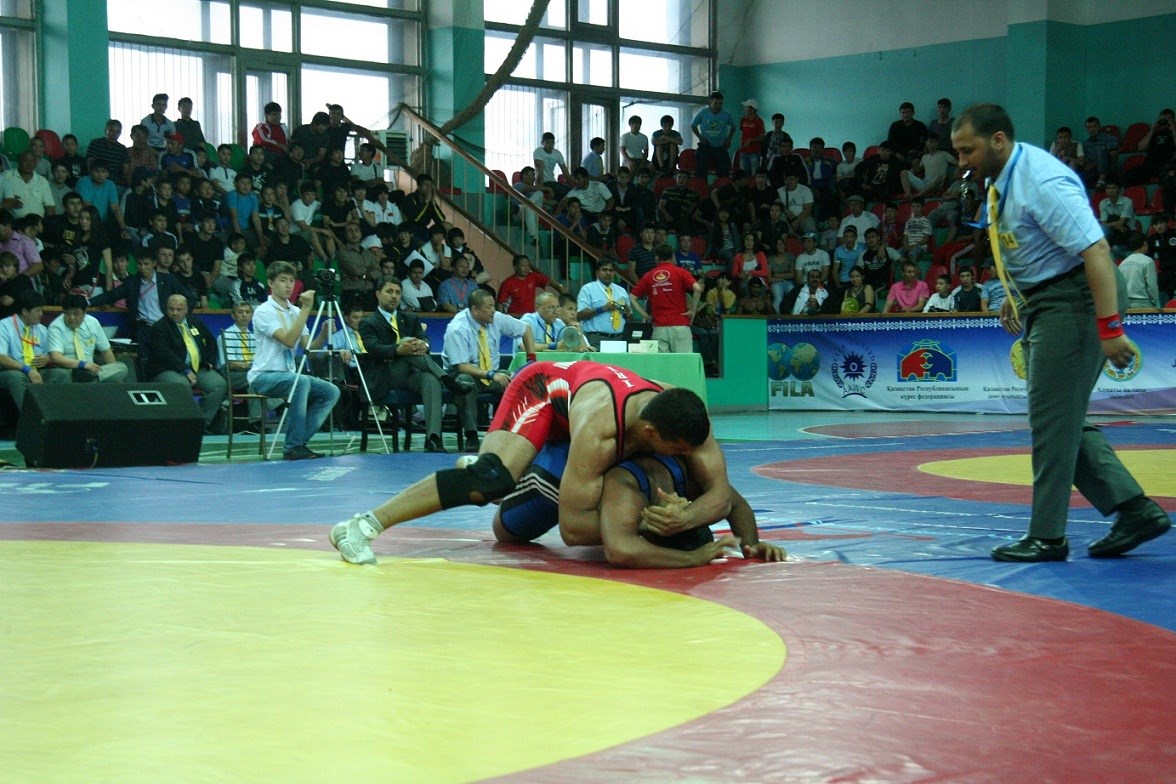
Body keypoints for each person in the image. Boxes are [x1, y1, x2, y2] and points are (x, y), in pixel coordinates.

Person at [951, 102, 1169, 561]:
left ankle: (1048, 536)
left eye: (967, 150)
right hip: (1048, 298)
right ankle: (1135, 510)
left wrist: (1110, 329)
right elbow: (1028, 245)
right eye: (958, 152)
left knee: (1052, 420)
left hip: (1076, 299)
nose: (961, 161)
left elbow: (1096, 251)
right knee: (1059, 414)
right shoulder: (1000, 177)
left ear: (998, 140)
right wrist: (1016, 292)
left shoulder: (1042, 181)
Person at [329, 359, 732, 566]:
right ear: (651, 434)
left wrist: (687, 516)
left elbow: (723, 495)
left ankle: (518, 459)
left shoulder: (685, 417)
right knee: (490, 479)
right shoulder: (601, 430)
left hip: (578, 417)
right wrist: (650, 524)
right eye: (678, 451)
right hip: (544, 392)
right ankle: (362, 526)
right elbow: (572, 530)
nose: (685, 460)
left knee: (516, 515)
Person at [492, 441, 785, 568]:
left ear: (657, 528)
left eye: (675, 516)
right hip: (580, 455)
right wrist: (750, 544)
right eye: (687, 510)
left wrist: (695, 557)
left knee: (506, 530)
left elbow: (621, 549)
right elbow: (733, 504)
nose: (681, 507)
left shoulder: (629, 498)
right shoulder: (685, 479)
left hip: (568, 472)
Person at [360, 276, 476, 453]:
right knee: (406, 345)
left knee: (430, 379)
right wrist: (399, 349)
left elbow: (425, 339)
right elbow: (373, 348)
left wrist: (424, 345)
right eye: (389, 291)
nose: (394, 296)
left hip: (413, 373)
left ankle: (433, 438)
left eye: (398, 293)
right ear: (378, 294)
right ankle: (447, 380)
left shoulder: (410, 318)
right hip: (387, 373)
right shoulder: (368, 322)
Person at [247, 261, 341, 460]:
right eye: (283, 280)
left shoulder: (295, 312)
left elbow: (309, 350)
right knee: (301, 381)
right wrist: (306, 308)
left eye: (291, 281)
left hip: (289, 375)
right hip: (263, 376)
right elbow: (289, 341)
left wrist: (323, 335)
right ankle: (293, 446)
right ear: (271, 283)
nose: (289, 285)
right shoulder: (264, 311)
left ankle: (298, 442)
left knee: (331, 391)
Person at [440, 288, 536, 445]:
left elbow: (526, 330)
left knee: (518, 381)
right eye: (489, 307)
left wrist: (531, 360)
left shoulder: (496, 318)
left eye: (494, 306)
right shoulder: (457, 328)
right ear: (475, 310)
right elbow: (461, 366)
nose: (493, 310)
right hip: (461, 375)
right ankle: (471, 436)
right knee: (466, 381)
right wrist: (491, 375)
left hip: (491, 372)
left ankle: (510, 433)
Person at [144, 293, 227, 431]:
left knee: (219, 384)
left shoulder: (196, 323)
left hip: (197, 367)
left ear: (186, 309)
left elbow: (211, 342)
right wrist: (186, 370)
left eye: (179, 309)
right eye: (171, 309)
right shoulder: (160, 327)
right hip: (167, 369)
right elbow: (164, 354)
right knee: (182, 385)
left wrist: (209, 361)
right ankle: (182, 425)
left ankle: (201, 423)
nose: (175, 313)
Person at [0, 291, 70, 410]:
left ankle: (60, 413)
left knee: (62, 374)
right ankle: (32, 416)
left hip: (36, 371)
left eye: (42, 310)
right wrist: (26, 369)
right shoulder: (4, 326)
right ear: (25, 311)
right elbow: (1, 357)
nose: (41, 314)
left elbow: (50, 355)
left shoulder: (41, 329)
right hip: (10, 371)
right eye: (37, 311)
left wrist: (46, 359)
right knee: (16, 377)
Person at [629, 244, 702, 354]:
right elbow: (698, 289)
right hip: (680, 325)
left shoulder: (649, 275)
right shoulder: (681, 272)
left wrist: (646, 316)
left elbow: (632, 297)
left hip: (660, 328)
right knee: (683, 363)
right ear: (672, 256)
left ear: (656, 257)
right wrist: (692, 311)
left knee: (663, 364)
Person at [576, 257, 630, 348]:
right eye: (604, 270)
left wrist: (627, 312)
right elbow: (580, 315)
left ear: (614, 273)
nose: (608, 273)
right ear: (597, 272)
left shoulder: (621, 291)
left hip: (619, 338)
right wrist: (602, 309)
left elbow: (629, 317)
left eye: (611, 270)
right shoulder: (588, 289)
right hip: (597, 338)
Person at [691, 91, 736, 176]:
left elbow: (733, 126)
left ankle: (721, 184)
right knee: (700, 170)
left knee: (725, 171)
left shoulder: (726, 113)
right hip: (706, 145)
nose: (718, 106)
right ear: (710, 102)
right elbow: (693, 126)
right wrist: (700, 137)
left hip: (721, 146)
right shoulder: (703, 112)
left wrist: (729, 139)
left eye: (720, 104)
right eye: (715, 104)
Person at [1119, 232, 1161, 309]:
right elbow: (1152, 286)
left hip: (1126, 305)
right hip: (1143, 304)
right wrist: (1156, 304)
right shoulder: (1148, 261)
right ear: (1144, 244)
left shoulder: (1123, 263)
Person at [737, 99, 765, 176]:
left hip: (754, 152)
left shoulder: (759, 121)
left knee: (754, 175)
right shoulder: (743, 120)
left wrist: (751, 140)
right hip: (743, 152)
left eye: (747, 107)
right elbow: (742, 133)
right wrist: (740, 148)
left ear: (753, 109)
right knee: (744, 175)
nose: (745, 109)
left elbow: (762, 137)